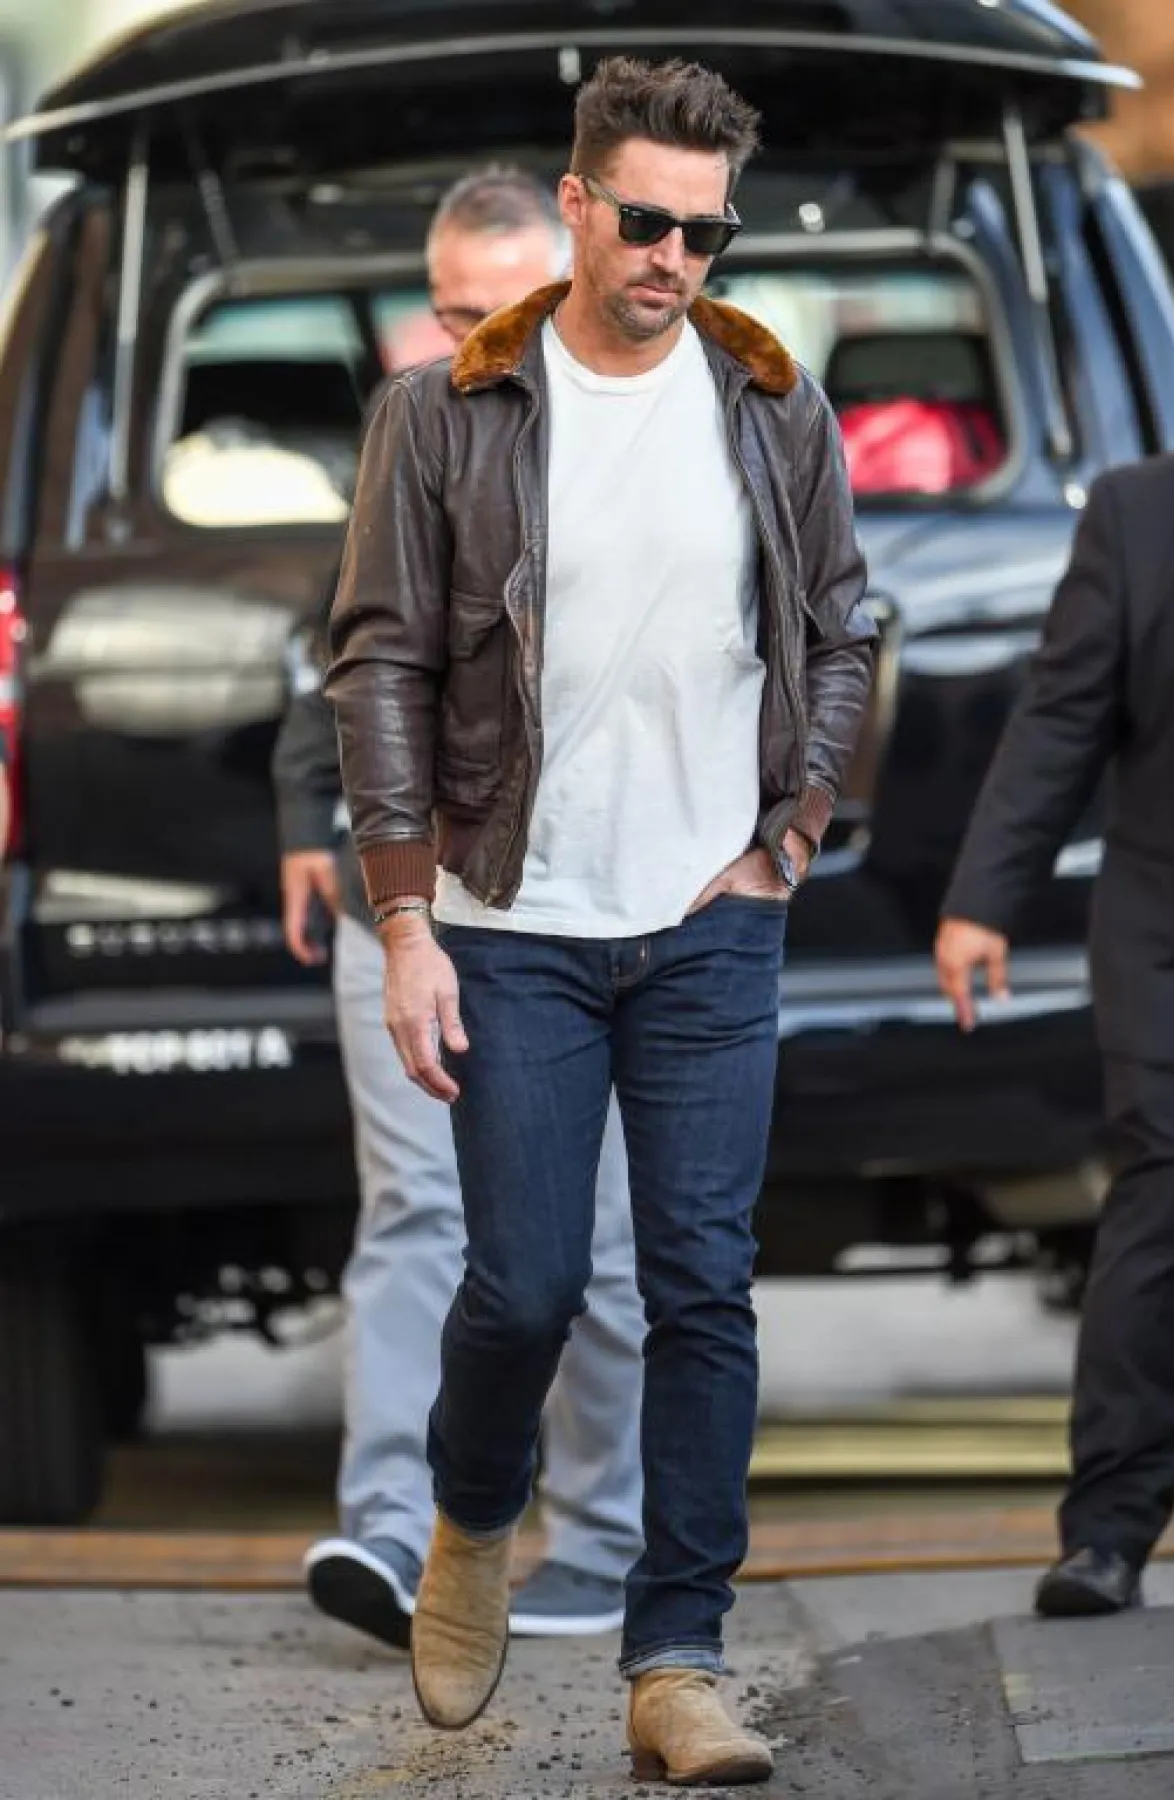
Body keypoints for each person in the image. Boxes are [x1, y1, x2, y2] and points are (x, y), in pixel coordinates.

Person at [327, 58, 874, 1783]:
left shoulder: (770, 401)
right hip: (510, 920)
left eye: (706, 232)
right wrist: (405, 919)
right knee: (527, 1285)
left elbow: (845, 628)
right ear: (575, 205)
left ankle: (677, 1661)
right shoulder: (444, 413)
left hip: (711, 916)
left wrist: (790, 835)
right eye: (645, 221)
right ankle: (472, 1516)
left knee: (706, 1285)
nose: (674, 258)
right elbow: (380, 665)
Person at [273, 166, 646, 1649]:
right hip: (411, 890)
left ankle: (606, 1542)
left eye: (503, 309)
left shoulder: (654, 431)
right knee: (419, 1208)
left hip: (584, 897)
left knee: (597, 1231)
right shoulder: (413, 421)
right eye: (445, 314)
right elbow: (349, 632)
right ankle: (386, 1531)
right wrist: (313, 814)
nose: (469, 341)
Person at [936, 444, 1174, 1620]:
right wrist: (983, 898)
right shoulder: (1142, 514)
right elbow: (1060, 718)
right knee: (1170, 1184)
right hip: (1171, 932)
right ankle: (1108, 1530)